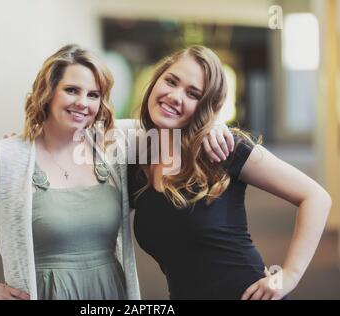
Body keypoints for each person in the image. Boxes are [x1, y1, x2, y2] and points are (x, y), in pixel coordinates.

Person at [0, 44, 141, 300]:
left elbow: (166, 126)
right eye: (71, 90)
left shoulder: (112, 146)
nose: (83, 103)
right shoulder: (7, 157)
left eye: (94, 95)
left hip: (110, 293)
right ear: (47, 92)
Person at [127, 45, 332, 300]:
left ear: (205, 106)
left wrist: (288, 276)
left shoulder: (223, 148)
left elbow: (316, 197)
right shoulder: (137, 159)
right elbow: (94, 127)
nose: (175, 96)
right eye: (171, 81)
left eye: (193, 94)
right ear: (156, 80)